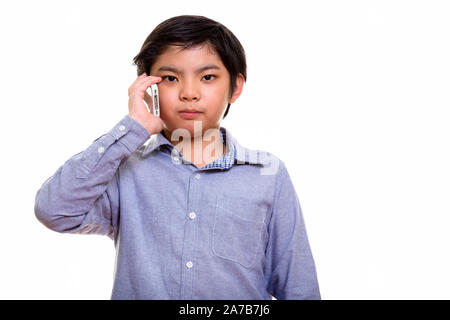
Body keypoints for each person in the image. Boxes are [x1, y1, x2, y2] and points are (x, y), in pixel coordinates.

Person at [34, 15, 321, 300]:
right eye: (171, 78)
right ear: (147, 88)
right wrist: (133, 128)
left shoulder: (268, 175)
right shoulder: (125, 170)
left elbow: (297, 285)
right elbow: (54, 211)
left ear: (235, 86)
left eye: (208, 77)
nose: (189, 93)